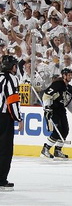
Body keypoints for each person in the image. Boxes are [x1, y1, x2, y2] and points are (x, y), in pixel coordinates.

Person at [40, 69, 72, 159]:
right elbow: (46, 96)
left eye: (71, 75)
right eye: (68, 75)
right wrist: (47, 108)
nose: (70, 76)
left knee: (65, 130)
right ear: (64, 75)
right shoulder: (57, 85)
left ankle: (58, 150)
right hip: (52, 111)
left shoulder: (70, 89)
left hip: (61, 111)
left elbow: (70, 104)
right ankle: (45, 149)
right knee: (57, 131)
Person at [0, 55, 23, 191]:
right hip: (4, 118)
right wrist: (18, 118)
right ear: (13, 67)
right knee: (5, 149)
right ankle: (1, 180)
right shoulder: (11, 79)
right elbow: (12, 100)